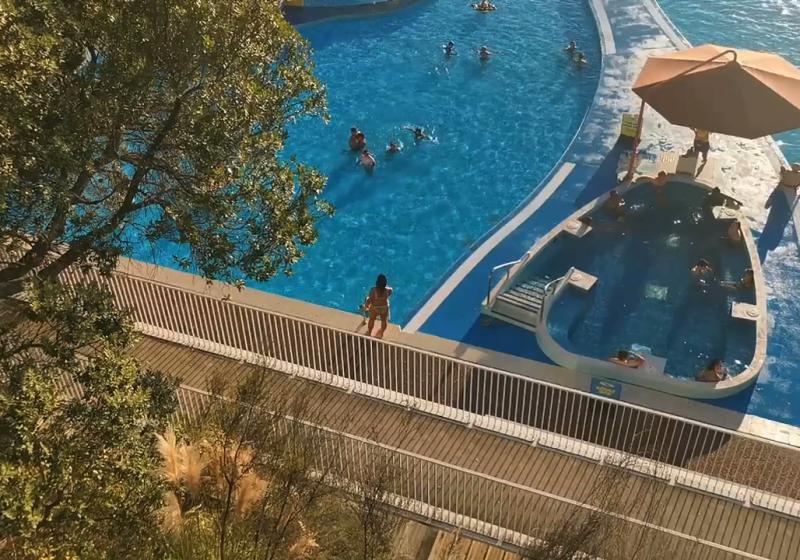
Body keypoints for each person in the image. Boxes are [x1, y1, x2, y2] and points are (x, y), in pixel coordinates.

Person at [364, 274, 393, 338]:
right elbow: (390, 293)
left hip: (375, 308)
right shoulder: (388, 290)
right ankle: (381, 333)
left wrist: (366, 306)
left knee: (372, 319)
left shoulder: (373, 290)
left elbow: (370, 300)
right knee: (384, 320)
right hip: (384, 307)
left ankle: (369, 332)